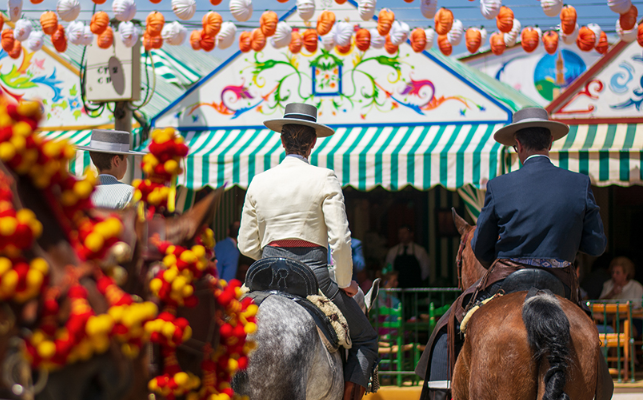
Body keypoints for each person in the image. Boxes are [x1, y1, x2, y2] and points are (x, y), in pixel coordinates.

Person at [416, 107, 609, 400]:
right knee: (587, 336)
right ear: (551, 143)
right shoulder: (578, 184)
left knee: (449, 324)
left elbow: (481, 248)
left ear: (517, 145)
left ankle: (439, 390)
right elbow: (597, 245)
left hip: (507, 281)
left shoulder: (499, 185)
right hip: (560, 283)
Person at [238, 103, 379, 400]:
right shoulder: (324, 177)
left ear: (281, 140)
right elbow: (340, 240)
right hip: (314, 276)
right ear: (313, 142)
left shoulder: (258, 180)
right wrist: (344, 282)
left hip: (262, 276)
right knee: (366, 339)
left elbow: (247, 246)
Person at [76, 129, 144, 209]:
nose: (126, 162)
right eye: (126, 158)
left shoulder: (80, 191)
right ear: (117, 161)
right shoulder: (130, 193)